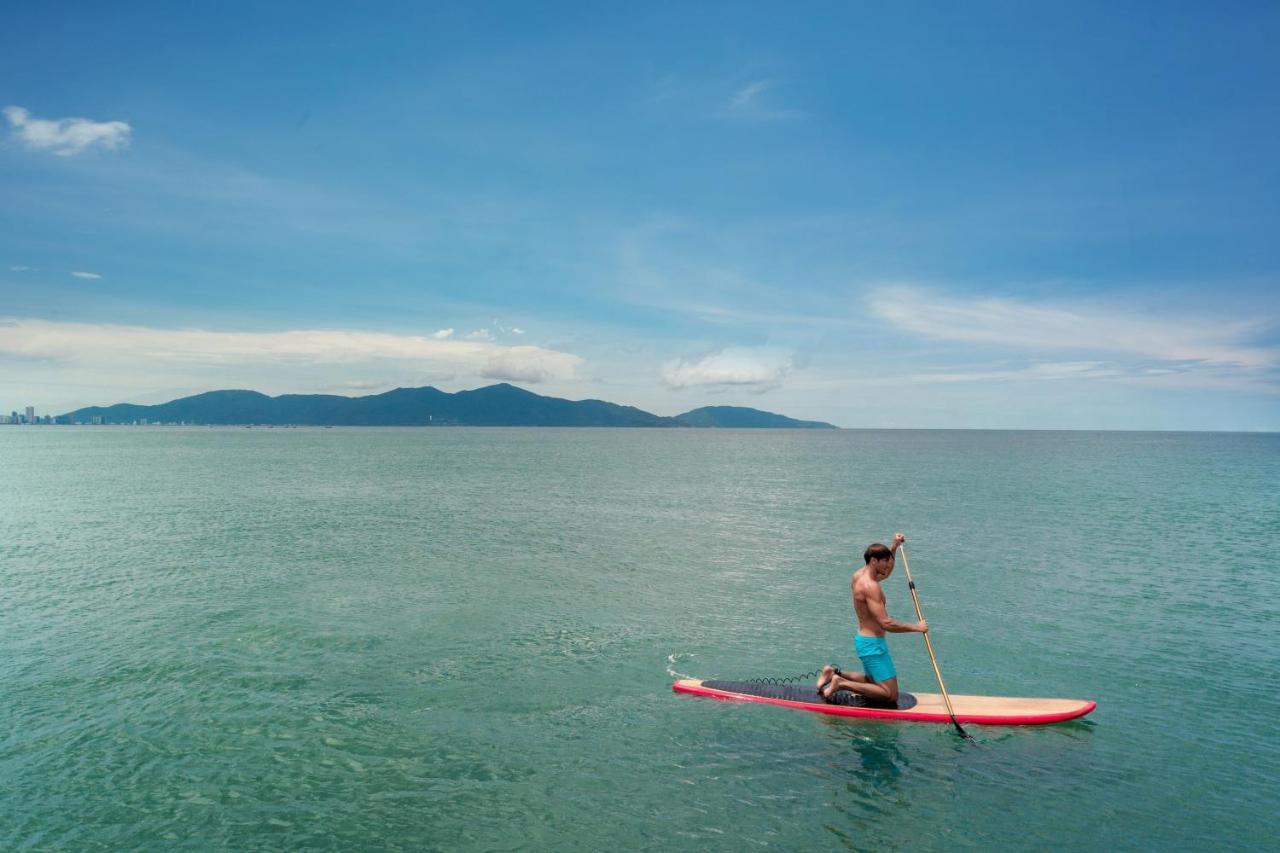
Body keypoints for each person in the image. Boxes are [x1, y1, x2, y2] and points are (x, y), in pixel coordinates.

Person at [817, 532, 927, 706]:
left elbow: (887, 573)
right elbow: (886, 623)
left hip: (866, 641)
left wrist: (894, 547)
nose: (888, 565)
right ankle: (841, 683)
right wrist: (916, 627)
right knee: (890, 695)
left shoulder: (859, 575)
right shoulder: (871, 587)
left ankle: (833, 673)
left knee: (871, 680)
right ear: (874, 561)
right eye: (884, 561)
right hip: (873, 645)